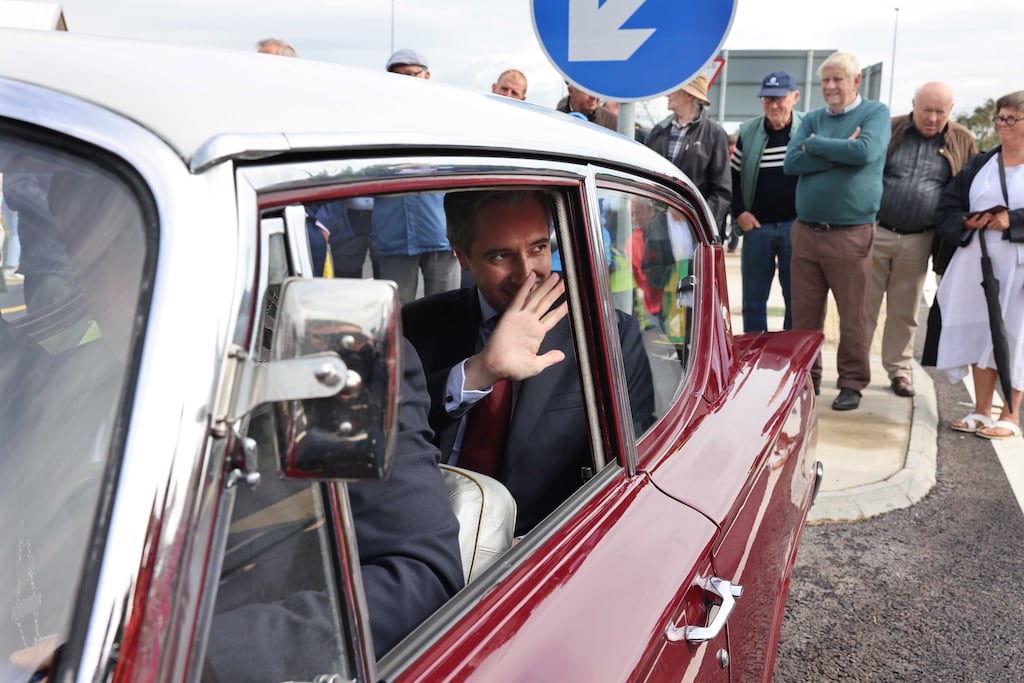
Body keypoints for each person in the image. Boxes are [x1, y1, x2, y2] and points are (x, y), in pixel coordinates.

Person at [402, 189, 655, 534]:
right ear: (461, 256)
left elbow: (633, 472)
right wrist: (477, 373)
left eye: (538, 248)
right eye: (501, 255)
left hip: (537, 556)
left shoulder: (607, 333)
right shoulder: (419, 323)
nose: (526, 274)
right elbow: (387, 439)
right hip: (422, 539)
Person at [783, 52, 891, 411]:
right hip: (806, 233)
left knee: (853, 314)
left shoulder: (875, 114)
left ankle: (851, 382)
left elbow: (865, 151)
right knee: (804, 316)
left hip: (851, 233)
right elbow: (790, 162)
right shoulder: (812, 117)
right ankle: (807, 380)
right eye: (825, 80)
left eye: (837, 79)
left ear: (856, 80)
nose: (829, 87)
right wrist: (837, 151)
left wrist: (813, 145)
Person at [867, 82, 978, 398]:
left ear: (950, 111)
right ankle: (856, 371)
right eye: (926, 109)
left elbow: (965, 190)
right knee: (864, 308)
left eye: (940, 112)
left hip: (920, 238)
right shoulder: (890, 129)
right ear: (913, 105)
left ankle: (899, 371)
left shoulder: (962, 140)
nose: (932, 117)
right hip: (878, 230)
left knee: (905, 310)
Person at [932, 91, 1024, 440]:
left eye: (1011, 118)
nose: (1002, 124)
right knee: (980, 330)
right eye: (999, 117)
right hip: (979, 261)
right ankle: (982, 410)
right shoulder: (981, 163)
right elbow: (946, 208)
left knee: (1016, 334)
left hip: (1019, 265)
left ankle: (1011, 415)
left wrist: (1011, 221)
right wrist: (969, 221)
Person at [375, 49, 460, 304]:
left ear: (427, 76)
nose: (404, 81)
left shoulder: (447, 119)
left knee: (448, 310)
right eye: (397, 76)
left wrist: (461, 229)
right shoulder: (376, 120)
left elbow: (462, 175)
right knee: (395, 314)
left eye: (411, 74)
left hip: (441, 232)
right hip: (393, 232)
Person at [730, 70, 803, 332]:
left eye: (779, 98)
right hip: (757, 228)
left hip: (795, 227)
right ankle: (753, 359)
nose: (773, 105)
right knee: (753, 301)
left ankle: (790, 361)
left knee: (796, 301)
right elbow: (733, 178)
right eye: (767, 99)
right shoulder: (749, 132)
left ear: (794, 97)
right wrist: (740, 213)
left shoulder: (807, 127)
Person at [646, 74, 732, 243]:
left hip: (695, 234)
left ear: (689, 94)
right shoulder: (659, 131)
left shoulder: (714, 134)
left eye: (674, 89)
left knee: (692, 270)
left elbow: (722, 191)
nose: (667, 94)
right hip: (658, 232)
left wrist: (696, 219)